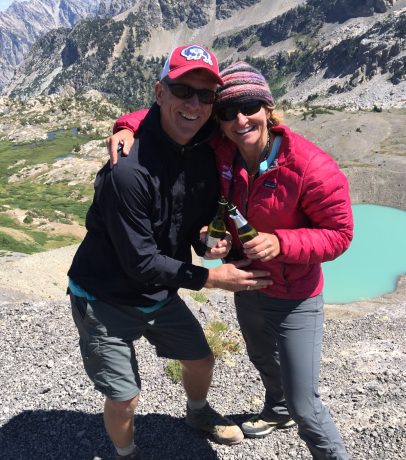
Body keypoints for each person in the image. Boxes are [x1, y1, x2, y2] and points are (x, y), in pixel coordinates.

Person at [108, 61, 354, 459]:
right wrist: (127, 125)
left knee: (306, 406)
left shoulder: (312, 167)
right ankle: (276, 410)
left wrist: (282, 243)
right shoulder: (224, 147)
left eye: (251, 106)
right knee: (259, 355)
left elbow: (341, 234)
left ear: (268, 108)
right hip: (247, 284)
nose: (240, 119)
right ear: (219, 120)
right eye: (227, 111)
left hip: (295, 296)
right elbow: (175, 114)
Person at [68, 47, 273, 460]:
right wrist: (213, 278)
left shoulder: (205, 151)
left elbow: (191, 225)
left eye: (205, 95)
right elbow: (141, 260)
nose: (194, 104)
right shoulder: (126, 170)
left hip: (160, 293)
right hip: (104, 296)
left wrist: (205, 242)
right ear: (159, 93)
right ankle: (126, 454)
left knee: (200, 360)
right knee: (125, 397)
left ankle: (197, 414)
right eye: (182, 90)